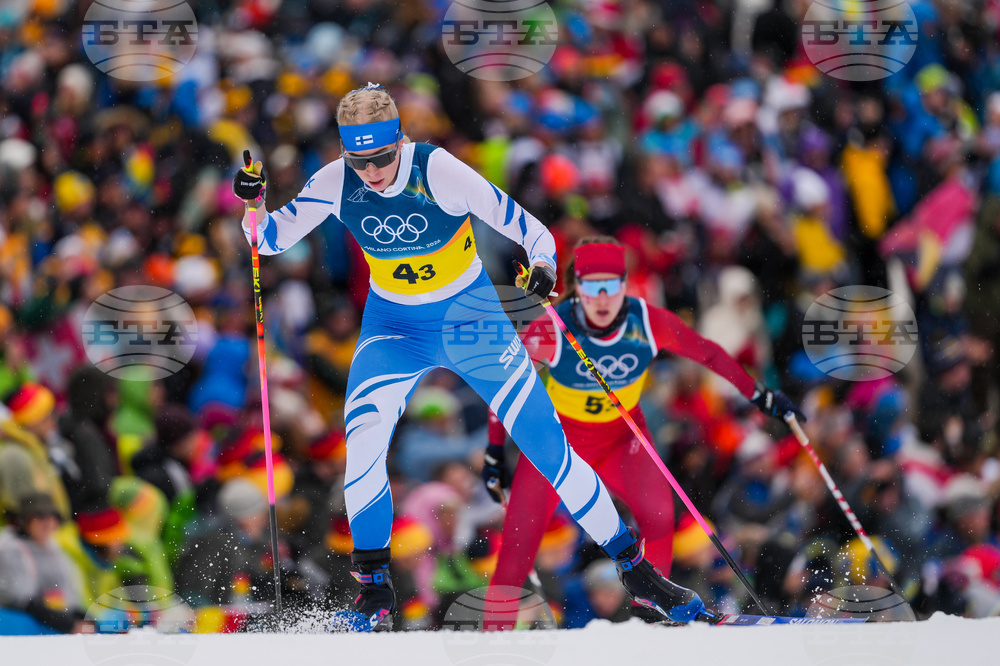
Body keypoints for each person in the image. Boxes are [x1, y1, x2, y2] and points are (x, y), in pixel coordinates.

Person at [233, 84, 713, 629]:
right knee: (362, 442)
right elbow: (267, 240)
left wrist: (544, 268)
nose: (371, 172)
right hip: (394, 328)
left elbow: (529, 230)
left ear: (400, 141)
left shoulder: (438, 171)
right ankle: (374, 591)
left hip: (472, 322)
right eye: (359, 160)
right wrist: (253, 203)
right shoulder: (335, 181)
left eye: (382, 158)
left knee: (548, 450)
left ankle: (640, 575)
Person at [482, 238, 804, 620]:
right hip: (560, 443)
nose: (601, 299)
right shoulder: (552, 327)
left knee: (658, 518)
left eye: (611, 287)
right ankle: (491, 636)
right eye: (590, 287)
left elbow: (708, 353)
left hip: (623, 439)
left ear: (625, 284)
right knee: (518, 544)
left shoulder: (647, 322)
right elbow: (506, 387)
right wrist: (494, 452)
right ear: (577, 286)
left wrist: (759, 395)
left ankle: (656, 619)